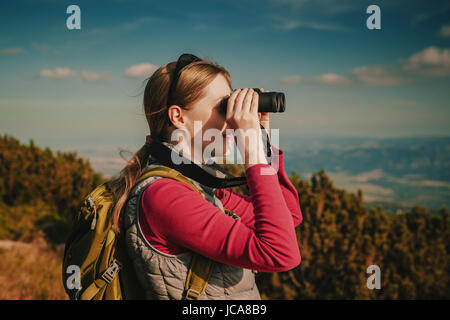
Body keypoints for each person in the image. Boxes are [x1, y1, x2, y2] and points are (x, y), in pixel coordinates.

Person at [107, 54, 302, 300]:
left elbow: (289, 216)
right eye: (224, 106)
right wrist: (251, 150)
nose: (232, 120)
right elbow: (280, 252)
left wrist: (262, 139)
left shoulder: (199, 185)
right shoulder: (164, 195)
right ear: (178, 117)